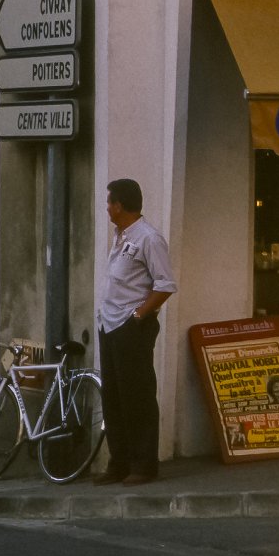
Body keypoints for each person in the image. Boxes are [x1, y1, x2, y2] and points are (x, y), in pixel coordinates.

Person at [95, 178, 176, 486]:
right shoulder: (120, 236)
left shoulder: (149, 238)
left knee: (137, 395)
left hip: (130, 326)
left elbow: (165, 284)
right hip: (109, 324)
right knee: (113, 397)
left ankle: (143, 464)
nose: (107, 207)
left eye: (109, 202)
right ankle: (119, 462)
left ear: (120, 205)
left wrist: (139, 315)